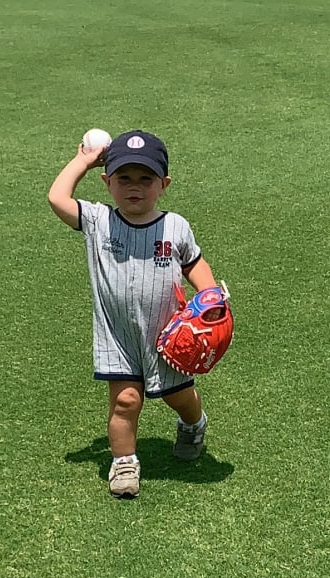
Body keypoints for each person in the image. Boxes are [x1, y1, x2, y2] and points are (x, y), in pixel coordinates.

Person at [47, 130, 219, 498]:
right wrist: (84, 160)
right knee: (126, 400)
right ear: (107, 182)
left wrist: (211, 298)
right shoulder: (97, 221)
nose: (134, 187)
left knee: (179, 396)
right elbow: (57, 198)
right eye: (123, 178)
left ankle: (193, 424)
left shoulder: (175, 226)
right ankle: (124, 462)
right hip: (118, 334)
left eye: (146, 179)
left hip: (169, 336)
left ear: (164, 184)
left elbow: (193, 263)